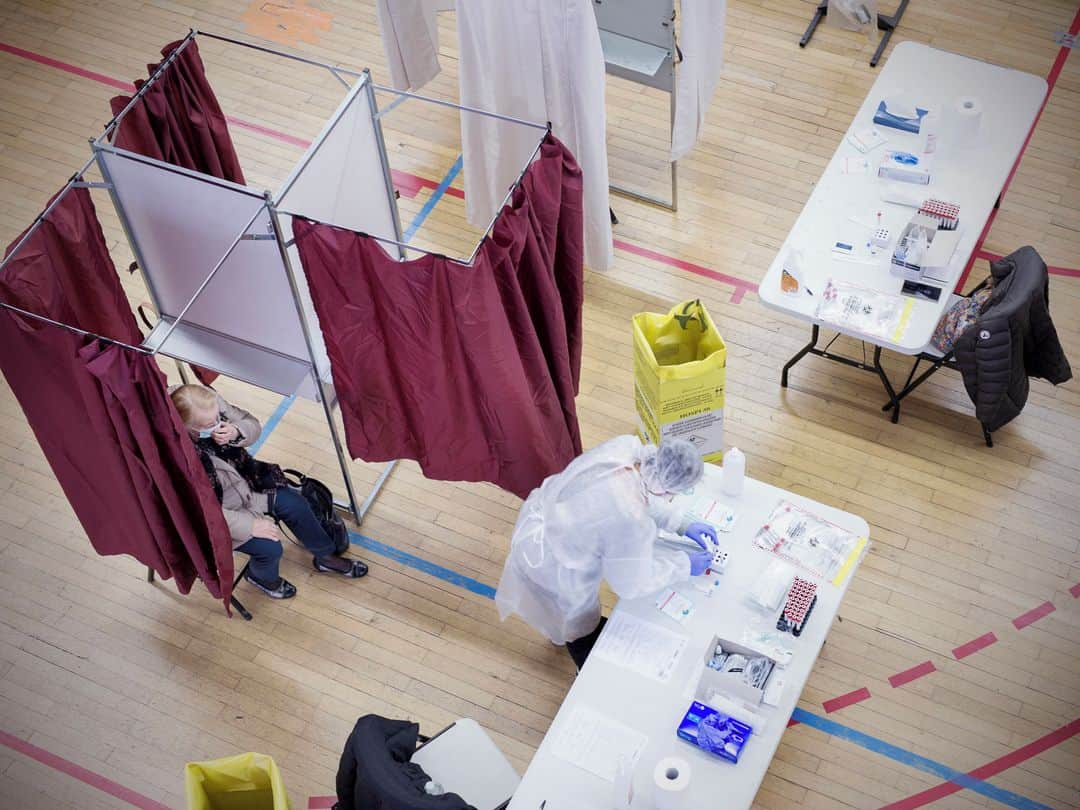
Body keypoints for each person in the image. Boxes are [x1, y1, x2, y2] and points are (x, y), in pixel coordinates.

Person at [495, 435, 717, 669]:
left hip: (539, 523)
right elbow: (631, 583)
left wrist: (679, 523)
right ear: (666, 488)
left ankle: (559, 634)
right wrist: (683, 564)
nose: (672, 498)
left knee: (553, 612)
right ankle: (584, 664)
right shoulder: (630, 520)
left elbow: (632, 491)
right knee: (578, 624)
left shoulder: (626, 447)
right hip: (557, 567)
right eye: (674, 493)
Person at [170, 384, 368, 600]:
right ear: (186, 426)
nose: (217, 424)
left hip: (248, 481)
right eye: (210, 424)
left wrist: (237, 431)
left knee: (297, 505)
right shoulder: (180, 458)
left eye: (218, 417)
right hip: (225, 511)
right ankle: (262, 578)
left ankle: (325, 556)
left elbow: (252, 424)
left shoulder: (208, 404)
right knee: (270, 548)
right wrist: (251, 525)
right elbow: (203, 511)